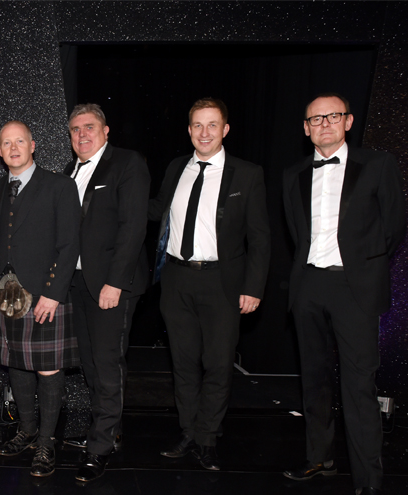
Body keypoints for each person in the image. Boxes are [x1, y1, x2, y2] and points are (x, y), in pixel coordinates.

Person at [282, 93, 405, 495]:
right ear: (306, 129)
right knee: (314, 380)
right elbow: (296, 234)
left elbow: (394, 228)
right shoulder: (293, 174)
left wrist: (363, 267)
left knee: (358, 387)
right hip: (308, 287)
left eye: (333, 116)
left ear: (348, 121)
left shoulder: (378, 165)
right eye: (316, 119)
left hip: (355, 289)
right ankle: (320, 458)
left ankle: (368, 481)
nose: (325, 124)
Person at [149, 98, 270, 471]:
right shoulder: (176, 168)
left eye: (212, 125)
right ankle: (189, 431)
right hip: (176, 279)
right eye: (198, 125)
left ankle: (207, 438)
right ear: (189, 130)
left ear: (225, 129)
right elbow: (157, 210)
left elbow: (260, 237)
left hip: (222, 282)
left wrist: (253, 287)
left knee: (217, 364)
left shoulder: (247, 174)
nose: (204, 133)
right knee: (183, 363)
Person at [60, 104, 151, 483]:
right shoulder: (70, 171)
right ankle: (109, 430)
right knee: (91, 364)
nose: (82, 134)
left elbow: (133, 228)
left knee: (108, 364)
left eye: (89, 127)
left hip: (112, 286)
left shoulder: (127, 164)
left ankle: (99, 448)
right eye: (75, 129)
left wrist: (115, 282)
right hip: (79, 285)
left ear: (106, 130)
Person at [0, 120, 81, 477]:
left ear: (33, 145)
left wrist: (53, 295)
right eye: (6, 143)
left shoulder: (60, 185)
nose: (13, 148)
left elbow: (69, 244)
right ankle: (27, 431)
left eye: (20, 141)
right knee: (16, 364)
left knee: (47, 368)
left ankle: (46, 442)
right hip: (7, 294)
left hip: (45, 295)